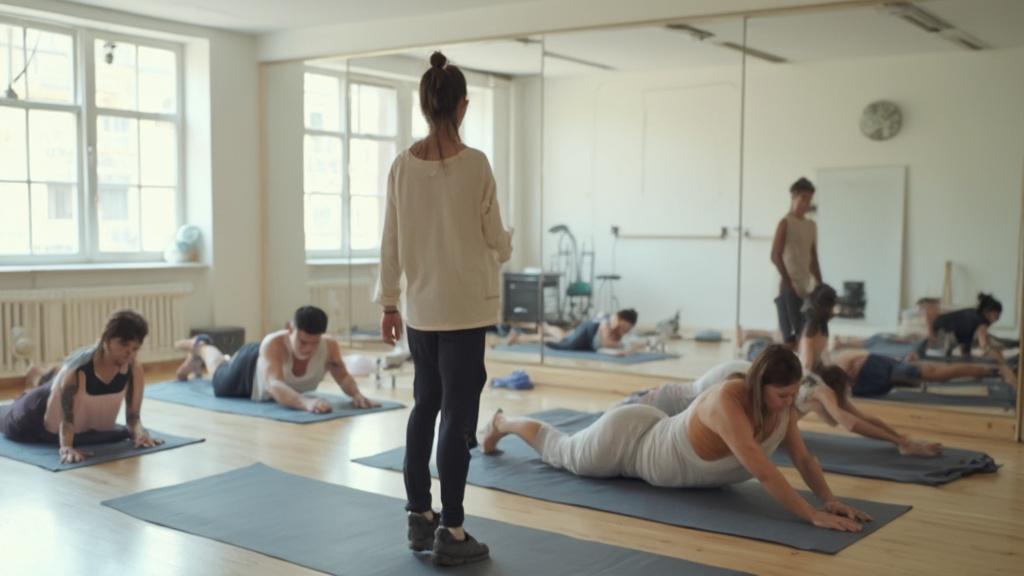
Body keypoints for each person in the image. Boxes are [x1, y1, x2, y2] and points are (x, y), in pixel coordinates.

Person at [481, 345, 872, 531]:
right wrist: (810, 516)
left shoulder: (780, 408)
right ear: (759, 385)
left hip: (655, 432)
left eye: (793, 395)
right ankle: (503, 423)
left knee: (568, 451)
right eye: (783, 395)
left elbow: (804, 460)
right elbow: (765, 471)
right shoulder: (727, 402)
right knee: (561, 452)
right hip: (628, 442)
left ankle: (503, 423)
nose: (790, 405)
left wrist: (829, 500)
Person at [376, 51, 513, 566]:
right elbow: (494, 237)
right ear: (462, 106)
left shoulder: (401, 166)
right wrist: (506, 245)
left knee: (424, 406)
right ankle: (452, 532)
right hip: (464, 311)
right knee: (458, 416)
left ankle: (419, 515)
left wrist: (389, 302)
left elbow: (389, 240)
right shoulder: (475, 163)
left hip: (420, 312)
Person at [623, 359, 942, 457]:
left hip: (735, 375)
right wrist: (901, 443)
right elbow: (850, 423)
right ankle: (636, 400)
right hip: (723, 380)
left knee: (675, 403)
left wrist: (902, 438)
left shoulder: (817, 387)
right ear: (835, 387)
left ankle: (638, 400)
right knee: (674, 404)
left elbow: (857, 414)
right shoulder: (819, 391)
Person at [0, 310, 162, 464]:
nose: (129, 353)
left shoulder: (133, 368)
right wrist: (67, 447)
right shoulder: (77, 370)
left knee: (55, 380)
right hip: (34, 416)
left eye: (135, 348)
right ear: (106, 339)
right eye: (123, 344)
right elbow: (66, 421)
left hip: (79, 421)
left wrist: (140, 434)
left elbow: (133, 417)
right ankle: (35, 380)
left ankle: (39, 375)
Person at [174, 306, 378, 413]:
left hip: (266, 365)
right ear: (290, 329)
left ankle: (193, 361)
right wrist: (306, 403)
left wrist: (356, 395)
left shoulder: (329, 346)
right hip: (250, 366)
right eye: (303, 341)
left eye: (314, 343)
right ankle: (200, 346)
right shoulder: (275, 343)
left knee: (223, 364)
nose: (308, 349)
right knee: (219, 371)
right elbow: (274, 385)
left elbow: (343, 377)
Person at [771, 177, 822, 349]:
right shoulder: (785, 223)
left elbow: (813, 258)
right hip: (787, 287)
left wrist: (820, 284)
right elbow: (775, 255)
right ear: (794, 197)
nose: (806, 203)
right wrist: (787, 281)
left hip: (805, 286)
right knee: (789, 338)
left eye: (809, 199)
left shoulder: (811, 225)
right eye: (803, 199)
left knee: (803, 335)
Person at [925, 293, 1017, 384]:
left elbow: (964, 338)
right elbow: (984, 345)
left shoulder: (974, 313)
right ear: (988, 312)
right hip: (940, 336)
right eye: (996, 316)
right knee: (942, 371)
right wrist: (999, 360)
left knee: (967, 357)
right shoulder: (982, 322)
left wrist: (969, 358)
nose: (997, 319)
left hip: (940, 331)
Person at [505, 309, 641, 356]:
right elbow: (606, 342)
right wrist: (623, 346)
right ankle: (520, 338)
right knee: (561, 342)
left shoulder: (616, 326)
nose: (628, 330)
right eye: (628, 327)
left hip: (586, 335)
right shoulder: (609, 321)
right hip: (586, 332)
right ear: (623, 320)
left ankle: (545, 326)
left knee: (563, 336)